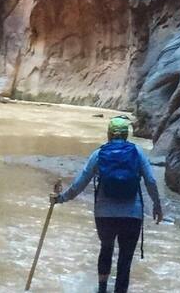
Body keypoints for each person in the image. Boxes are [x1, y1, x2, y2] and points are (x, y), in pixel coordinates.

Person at [50, 115, 163, 293]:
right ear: (127, 135)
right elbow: (150, 180)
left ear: (109, 134)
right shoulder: (137, 152)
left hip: (104, 215)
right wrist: (157, 205)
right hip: (132, 215)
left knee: (106, 248)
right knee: (125, 259)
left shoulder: (99, 154)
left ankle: (102, 289)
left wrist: (61, 198)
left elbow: (80, 183)